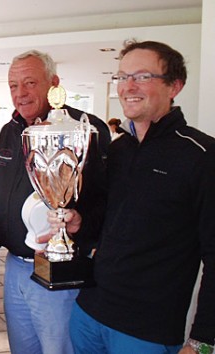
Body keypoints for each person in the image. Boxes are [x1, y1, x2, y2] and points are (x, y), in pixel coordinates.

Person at [64, 41, 215, 354]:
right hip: (88, 312)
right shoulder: (117, 151)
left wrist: (203, 341)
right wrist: (80, 224)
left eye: (143, 76)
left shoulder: (202, 155)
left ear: (175, 85)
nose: (128, 87)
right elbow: (104, 227)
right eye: (121, 77)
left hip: (146, 331)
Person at [0, 50, 111, 354]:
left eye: (30, 83)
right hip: (15, 266)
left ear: (54, 83)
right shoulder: (9, 131)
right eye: (13, 85)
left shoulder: (83, 130)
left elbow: (104, 200)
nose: (20, 93)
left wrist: (79, 224)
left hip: (60, 266)